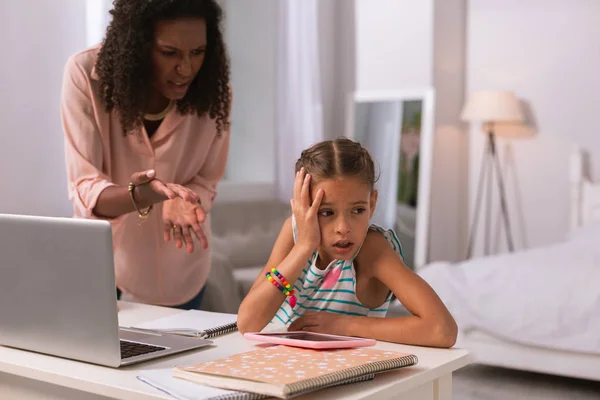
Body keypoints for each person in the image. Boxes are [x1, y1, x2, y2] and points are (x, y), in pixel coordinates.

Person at [61, 0, 232, 309]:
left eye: (198, 52)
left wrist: (184, 198)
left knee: (180, 359)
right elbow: (85, 185)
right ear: (137, 45)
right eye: (169, 53)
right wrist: (142, 195)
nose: (186, 69)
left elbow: (207, 179)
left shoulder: (215, 91)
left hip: (181, 269)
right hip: (103, 264)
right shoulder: (86, 74)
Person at [237, 138, 458, 348]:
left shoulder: (372, 249)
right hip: (283, 367)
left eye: (358, 210)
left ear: (372, 203)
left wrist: (343, 325)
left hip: (348, 378)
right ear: (303, 207)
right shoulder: (294, 234)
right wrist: (304, 246)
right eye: (327, 212)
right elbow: (248, 323)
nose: (343, 227)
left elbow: (442, 330)